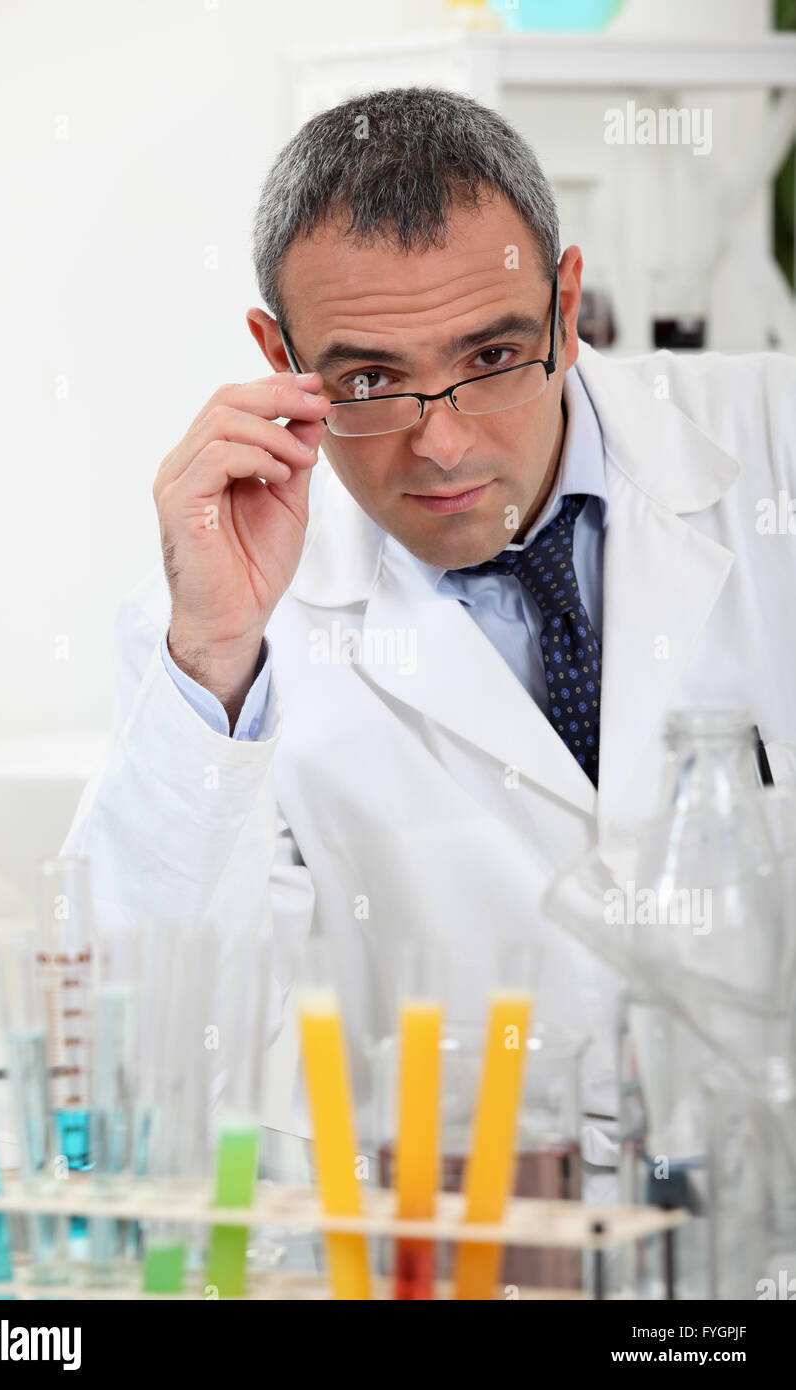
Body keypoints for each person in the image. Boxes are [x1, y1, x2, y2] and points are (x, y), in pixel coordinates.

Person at [62, 87, 796, 1180]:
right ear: (277, 350)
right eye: (368, 380)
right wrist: (212, 659)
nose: (440, 445)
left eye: (492, 356)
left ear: (565, 303)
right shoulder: (227, 617)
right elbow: (134, 1086)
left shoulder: (771, 444)